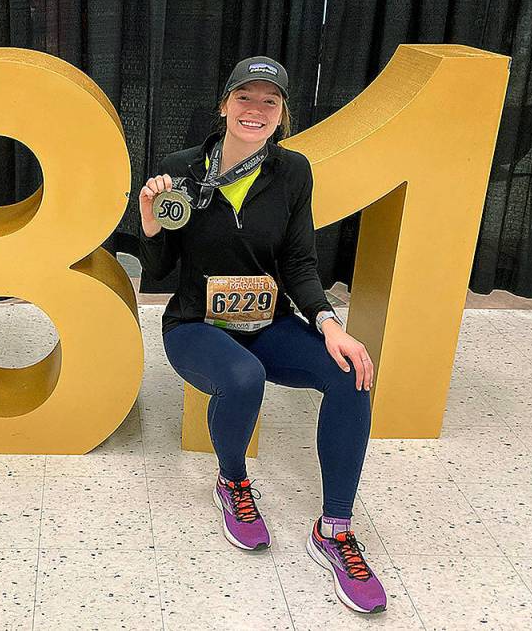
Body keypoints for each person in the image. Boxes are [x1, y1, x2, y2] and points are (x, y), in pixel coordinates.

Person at [139, 56, 387, 614]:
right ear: (224, 105)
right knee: (243, 378)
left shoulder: (293, 171)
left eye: (268, 102)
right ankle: (233, 483)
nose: (255, 110)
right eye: (244, 98)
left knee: (352, 375)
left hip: (268, 322)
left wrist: (329, 325)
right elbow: (156, 271)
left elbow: (300, 262)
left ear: (282, 115)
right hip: (196, 326)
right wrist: (150, 218)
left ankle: (335, 529)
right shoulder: (182, 170)